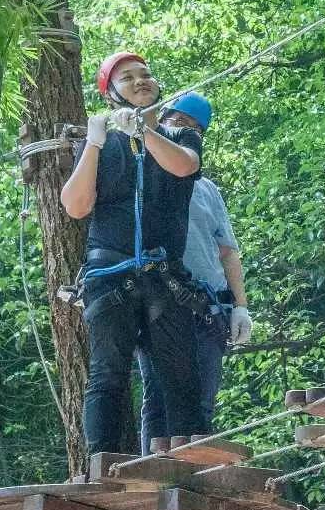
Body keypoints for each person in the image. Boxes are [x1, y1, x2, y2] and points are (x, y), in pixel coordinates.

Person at [60, 51, 207, 456]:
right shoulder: (102, 146)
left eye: (146, 75)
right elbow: (75, 205)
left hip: (164, 274)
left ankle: (186, 459)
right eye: (128, 79)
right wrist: (93, 144)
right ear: (111, 95)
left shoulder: (181, 136)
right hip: (110, 272)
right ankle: (100, 462)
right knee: (107, 374)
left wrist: (146, 134)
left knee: (180, 374)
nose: (141, 81)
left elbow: (184, 167)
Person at [135, 92, 253, 453]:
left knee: (202, 398)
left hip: (206, 305)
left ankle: (193, 471)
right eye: (177, 120)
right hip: (158, 301)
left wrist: (241, 306)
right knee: (158, 396)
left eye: (193, 127)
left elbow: (228, 252)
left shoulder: (207, 190)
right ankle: (154, 471)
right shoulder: (139, 179)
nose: (184, 129)